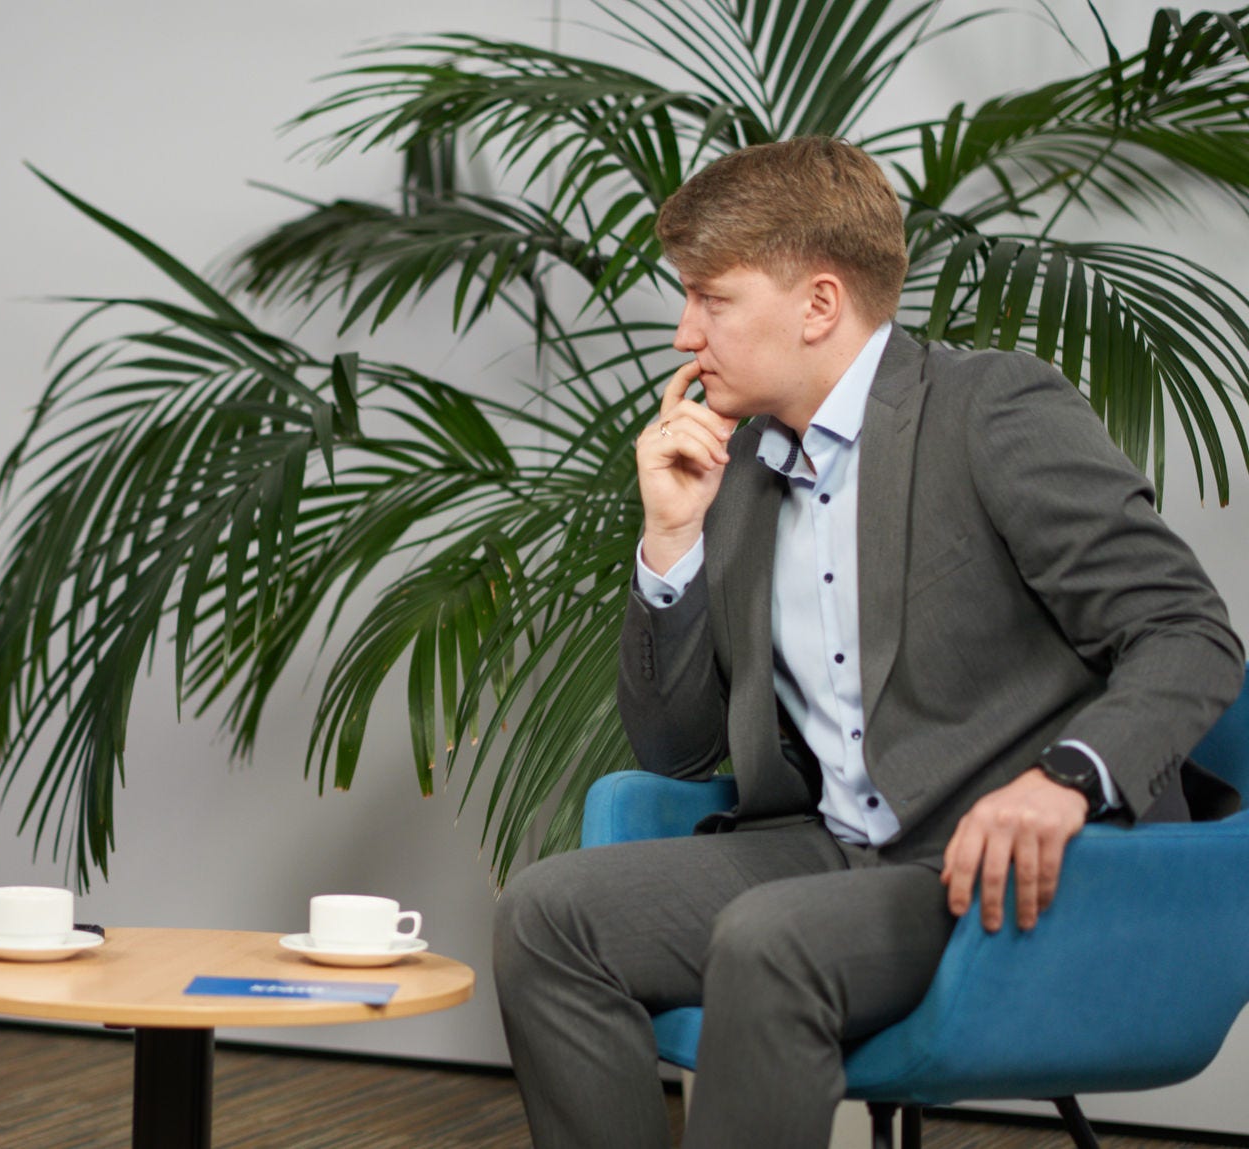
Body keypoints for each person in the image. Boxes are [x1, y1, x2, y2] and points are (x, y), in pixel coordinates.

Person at [492, 137, 1243, 1149]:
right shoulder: (737, 472)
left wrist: (1066, 778)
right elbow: (676, 749)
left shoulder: (988, 410)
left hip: (997, 866)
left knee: (770, 938)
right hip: (828, 848)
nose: (683, 334)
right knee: (547, 916)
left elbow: (1186, 631)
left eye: (710, 299)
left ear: (818, 304)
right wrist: (669, 542)